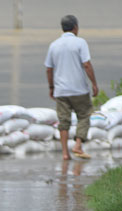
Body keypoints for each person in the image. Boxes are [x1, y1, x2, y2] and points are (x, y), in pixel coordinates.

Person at [45, 15, 99, 161]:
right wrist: (94, 83)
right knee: (84, 115)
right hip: (79, 89)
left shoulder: (54, 45)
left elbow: (49, 69)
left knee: (64, 121)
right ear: (75, 27)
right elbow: (86, 65)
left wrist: (51, 87)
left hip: (61, 90)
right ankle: (78, 144)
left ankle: (65, 154)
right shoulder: (80, 43)